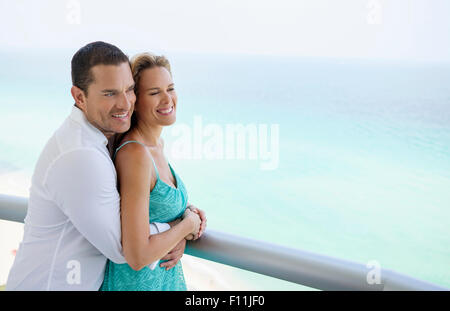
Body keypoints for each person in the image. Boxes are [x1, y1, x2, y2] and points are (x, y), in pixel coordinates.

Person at [6, 41, 202, 290]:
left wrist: (179, 221)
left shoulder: (101, 138)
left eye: (129, 89)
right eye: (110, 93)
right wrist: (181, 226)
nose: (124, 104)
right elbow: (128, 250)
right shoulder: (82, 155)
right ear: (79, 97)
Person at [100, 52, 206, 291]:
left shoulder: (156, 146)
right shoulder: (135, 154)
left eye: (170, 88)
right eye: (155, 92)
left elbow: (153, 213)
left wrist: (185, 215)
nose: (167, 99)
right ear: (135, 102)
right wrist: (187, 225)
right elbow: (137, 255)